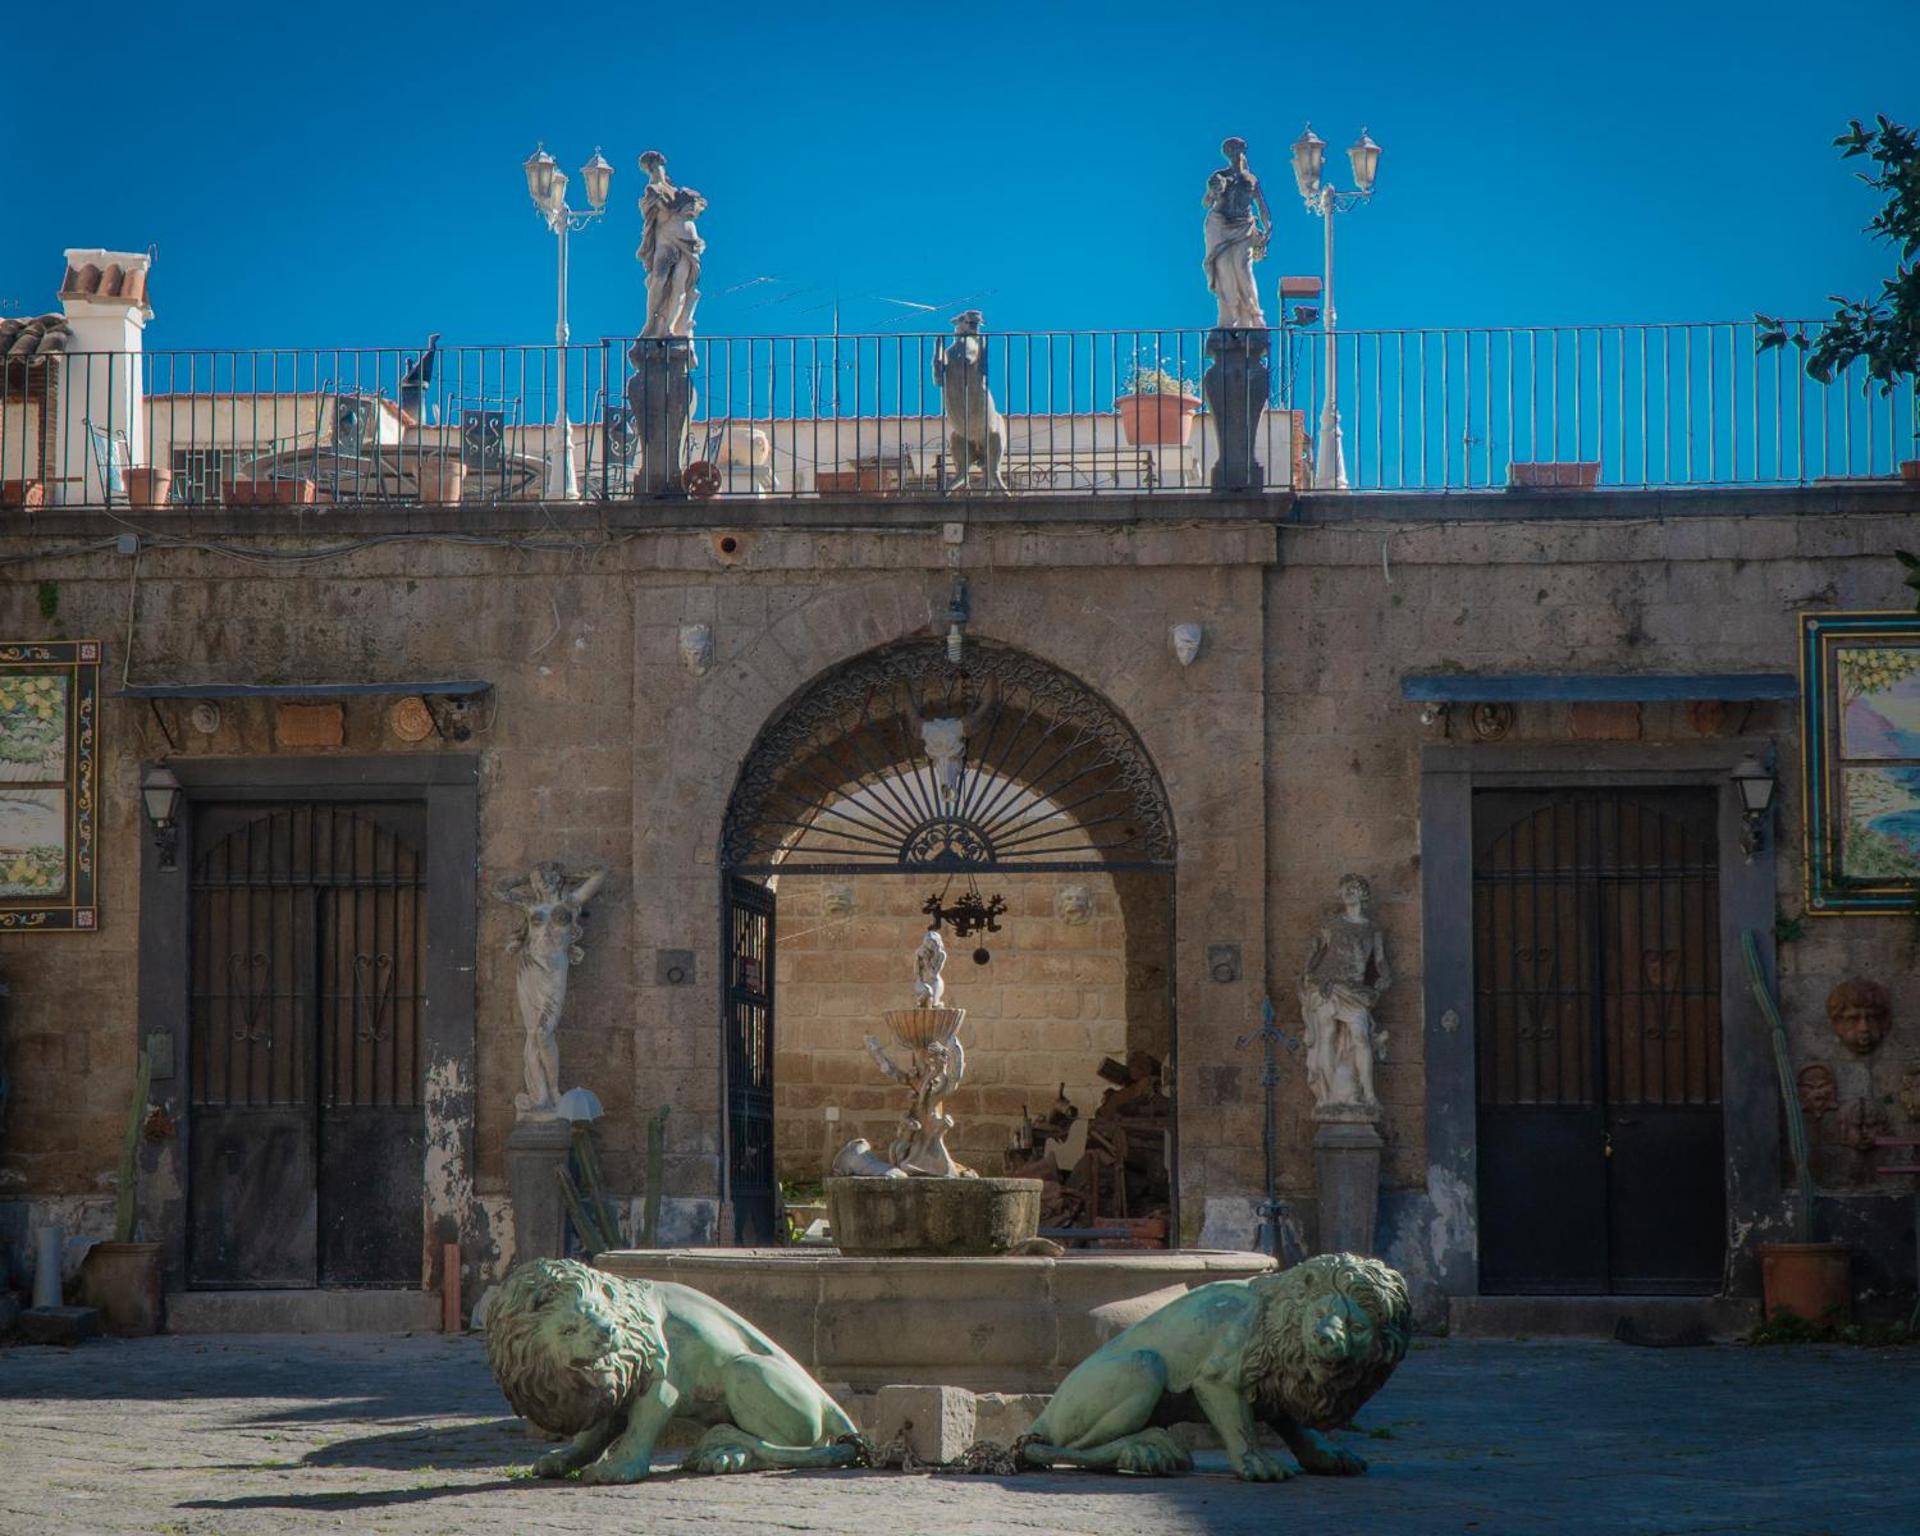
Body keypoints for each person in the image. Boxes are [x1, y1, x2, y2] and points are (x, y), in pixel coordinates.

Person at [495, 862, 606, 1116]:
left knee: (544, 1032)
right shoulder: (530, 905)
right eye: (538, 879)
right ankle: (541, 1095)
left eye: (547, 877)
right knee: (532, 1033)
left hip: (554, 971)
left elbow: (599, 874)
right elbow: (499, 890)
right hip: (529, 967)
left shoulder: (570, 903)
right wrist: (529, 873)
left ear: (558, 878)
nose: (542, 882)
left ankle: (555, 1090)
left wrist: (566, 872)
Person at [1298, 874, 1391, 1112]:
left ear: (1363, 894)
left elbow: (1380, 960)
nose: (1348, 892)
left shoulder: (1372, 929)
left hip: (1355, 989)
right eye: (1345, 889)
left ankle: (1369, 1095)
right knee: (1327, 1035)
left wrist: (1385, 976)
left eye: (1353, 888)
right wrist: (1308, 975)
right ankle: (1329, 1096)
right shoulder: (1331, 924)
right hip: (1327, 985)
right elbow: (1316, 952)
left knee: (1361, 1036)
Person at [1202, 137, 1272, 330]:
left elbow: (1261, 205)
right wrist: (1213, 191)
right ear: (1227, 153)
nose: (1234, 154)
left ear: (1242, 152)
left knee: (1243, 269)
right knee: (1224, 270)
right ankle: (1228, 319)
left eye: (1237, 149)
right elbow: (1206, 203)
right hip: (1220, 226)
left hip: (1243, 227)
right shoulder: (1219, 176)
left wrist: (1268, 227)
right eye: (1231, 150)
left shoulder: (1251, 179)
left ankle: (1253, 316)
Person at [636, 151, 706, 339]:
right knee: (658, 280)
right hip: (665, 242)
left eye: (656, 165)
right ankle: (651, 324)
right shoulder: (652, 191)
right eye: (651, 167)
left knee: (680, 285)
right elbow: (652, 214)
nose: (655, 170)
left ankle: (669, 328)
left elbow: (698, 206)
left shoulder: (678, 192)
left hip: (687, 244)